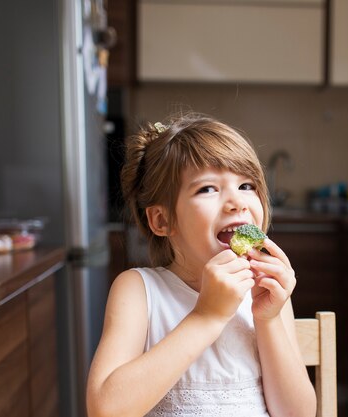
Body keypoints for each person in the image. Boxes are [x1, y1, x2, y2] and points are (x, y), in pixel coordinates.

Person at [86, 113, 317, 417]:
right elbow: (106, 409)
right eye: (207, 189)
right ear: (162, 219)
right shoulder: (139, 291)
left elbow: (297, 414)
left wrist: (269, 319)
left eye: (247, 185)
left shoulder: (267, 295)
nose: (238, 202)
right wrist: (207, 316)